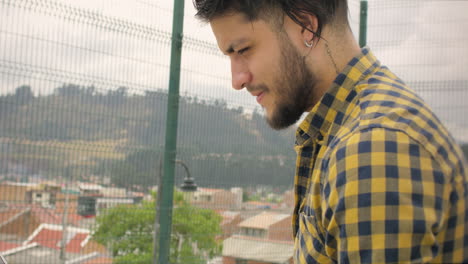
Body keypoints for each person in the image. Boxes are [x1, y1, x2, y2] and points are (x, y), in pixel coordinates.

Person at [193, 0, 468, 263]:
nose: (237, 80)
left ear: (306, 27)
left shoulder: (372, 147)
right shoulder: (346, 129)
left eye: (243, 50)